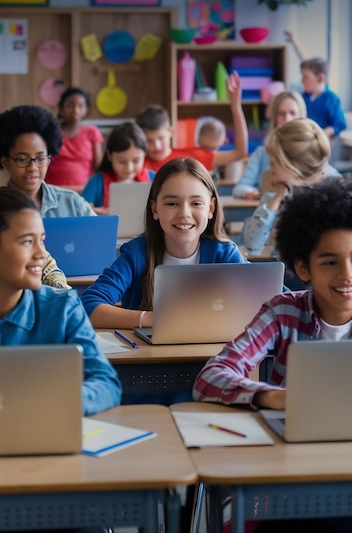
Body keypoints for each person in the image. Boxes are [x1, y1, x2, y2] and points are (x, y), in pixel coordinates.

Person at [193, 176, 352, 533]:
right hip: (290, 477)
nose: (347, 274)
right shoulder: (283, 311)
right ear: (303, 268)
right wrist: (271, 396)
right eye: (330, 262)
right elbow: (212, 375)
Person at [81, 157, 249, 331]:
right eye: (172, 203)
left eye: (196, 203)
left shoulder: (225, 254)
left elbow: (274, 298)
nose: (184, 213)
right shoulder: (137, 253)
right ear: (155, 209)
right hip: (147, 357)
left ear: (211, 209)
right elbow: (89, 306)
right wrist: (153, 319)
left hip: (211, 355)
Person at [0, 188, 121, 416]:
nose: (42, 254)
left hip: (45, 434)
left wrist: (55, 402)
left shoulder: (63, 307)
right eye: (27, 242)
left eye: (42, 241)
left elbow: (107, 384)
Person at [241, 119, 333, 255]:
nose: (270, 166)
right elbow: (252, 246)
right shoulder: (276, 196)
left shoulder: (334, 197)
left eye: (274, 161)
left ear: (291, 165)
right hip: (288, 274)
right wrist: (276, 199)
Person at [135, 71, 248, 173]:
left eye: (160, 138)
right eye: (149, 141)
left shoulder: (191, 157)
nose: (156, 146)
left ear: (171, 132)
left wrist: (235, 106)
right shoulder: (135, 163)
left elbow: (240, 153)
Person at [0, 105, 96, 217]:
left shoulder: (72, 203)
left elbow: (99, 233)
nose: (33, 168)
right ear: (5, 163)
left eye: (40, 158)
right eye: (22, 159)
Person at [232, 90, 308, 199]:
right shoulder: (262, 153)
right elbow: (240, 188)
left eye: (292, 113)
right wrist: (250, 193)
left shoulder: (310, 151)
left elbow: (330, 178)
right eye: (281, 114)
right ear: (275, 118)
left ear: (302, 116)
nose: (287, 119)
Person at [81, 121, 155, 215]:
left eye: (136, 161)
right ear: (109, 155)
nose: (129, 168)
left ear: (145, 154)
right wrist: (102, 212)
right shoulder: (97, 181)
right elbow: (80, 210)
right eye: (122, 161)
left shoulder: (154, 179)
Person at [285, 31, 346, 139]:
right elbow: (306, 61)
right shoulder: (304, 96)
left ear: (320, 78)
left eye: (305, 77)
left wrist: (325, 132)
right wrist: (294, 42)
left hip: (319, 142)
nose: (302, 80)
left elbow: (340, 124)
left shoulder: (331, 99)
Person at [46, 87, 104, 192]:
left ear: (86, 109)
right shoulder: (51, 132)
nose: (75, 110)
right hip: (54, 191)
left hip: (85, 191)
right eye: (70, 105)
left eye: (80, 106)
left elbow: (99, 167)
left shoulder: (92, 131)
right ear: (62, 109)